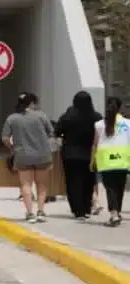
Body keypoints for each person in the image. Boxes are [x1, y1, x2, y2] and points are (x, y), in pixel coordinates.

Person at [1, 92, 55, 223]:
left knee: (26, 184)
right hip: (42, 155)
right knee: (41, 185)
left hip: (23, 155)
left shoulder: (12, 118)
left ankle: (30, 213)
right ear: (31, 103)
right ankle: (40, 212)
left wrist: (12, 148)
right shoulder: (41, 116)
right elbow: (51, 133)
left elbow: (5, 138)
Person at [54, 90, 102, 220]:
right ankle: (86, 208)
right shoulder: (96, 117)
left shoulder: (67, 116)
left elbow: (56, 131)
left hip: (70, 154)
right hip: (90, 154)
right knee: (89, 181)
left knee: (72, 181)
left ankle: (77, 210)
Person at [93, 96, 129, 227]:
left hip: (106, 161)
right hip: (123, 160)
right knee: (119, 188)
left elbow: (95, 144)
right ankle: (117, 212)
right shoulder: (128, 123)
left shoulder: (99, 124)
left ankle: (114, 215)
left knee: (111, 188)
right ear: (120, 107)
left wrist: (92, 161)